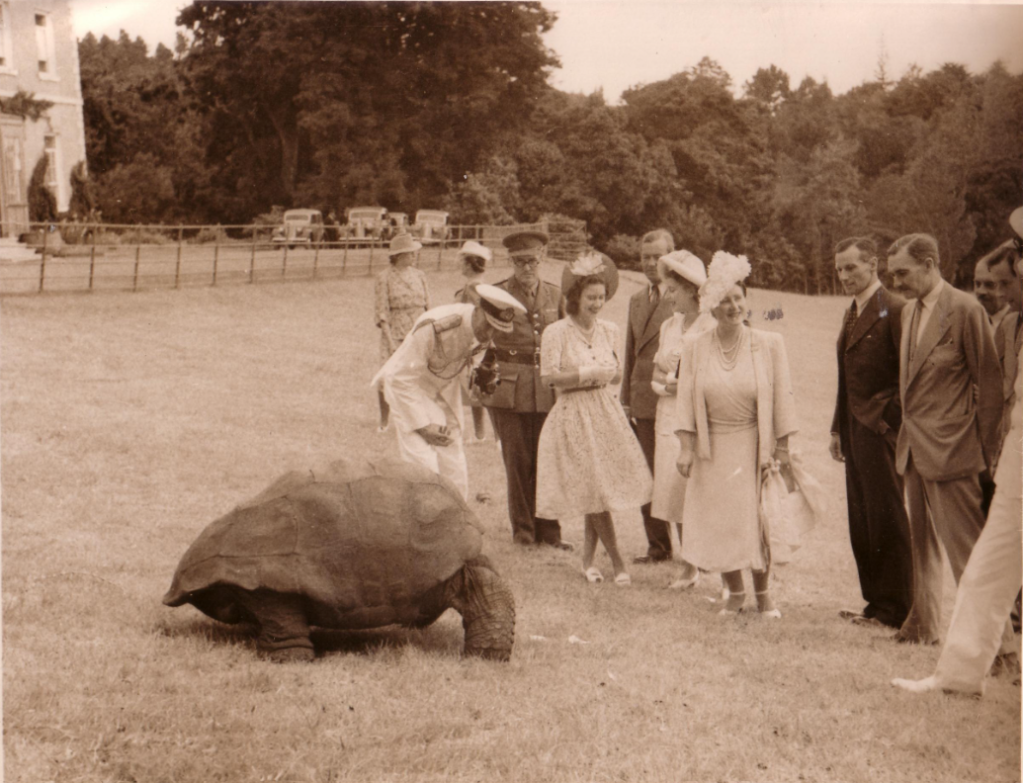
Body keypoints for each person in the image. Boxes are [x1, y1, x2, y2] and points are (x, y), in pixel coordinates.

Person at [892, 219, 1023, 696]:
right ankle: (922, 624)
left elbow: (990, 385)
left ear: (929, 266)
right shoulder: (908, 312)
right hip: (914, 450)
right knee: (922, 549)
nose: (896, 283)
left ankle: (1005, 655)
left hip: (954, 454)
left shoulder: (965, 309)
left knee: (974, 559)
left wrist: (986, 450)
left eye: (903, 273)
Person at [675, 251, 798, 617]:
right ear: (711, 307)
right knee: (720, 521)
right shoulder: (695, 346)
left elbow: (783, 399)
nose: (732, 306)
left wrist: (784, 447)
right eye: (724, 300)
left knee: (758, 520)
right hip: (714, 448)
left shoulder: (769, 342)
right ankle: (735, 592)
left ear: (746, 301)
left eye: (738, 298)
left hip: (754, 443)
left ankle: (764, 596)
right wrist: (685, 447)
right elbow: (684, 400)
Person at [536, 252, 652, 585]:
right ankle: (618, 564)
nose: (597, 304)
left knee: (597, 489)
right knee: (595, 488)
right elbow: (548, 378)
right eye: (591, 297)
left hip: (605, 412)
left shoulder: (610, 330)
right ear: (575, 297)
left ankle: (587, 562)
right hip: (573, 413)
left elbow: (615, 376)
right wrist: (589, 372)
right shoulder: (556, 332)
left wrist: (605, 374)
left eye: (601, 297)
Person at [370, 284, 526, 500]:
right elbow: (400, 378)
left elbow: (468, 373)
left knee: (453, 456)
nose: (490, 333)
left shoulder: (484, 335)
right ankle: (423, 524)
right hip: (408, 389)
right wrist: (424, 427)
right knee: (423, 463)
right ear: (478, 309)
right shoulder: (437, 325)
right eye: (488, 325)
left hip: (442, 390)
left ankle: (457, 519)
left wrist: (483, 384)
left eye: (497, 329)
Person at [829, 237, 913, 629]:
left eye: (851, 268)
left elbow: (908, 375)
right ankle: (876, 604)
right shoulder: (853, 310)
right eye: (839, 269)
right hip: (852, 429)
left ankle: (897, 608)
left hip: (879, 431)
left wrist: (885, 420)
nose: (844, 275)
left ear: (873, 264)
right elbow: (847, 377)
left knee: (887, 517)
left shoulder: (894, 308)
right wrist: (836, 428)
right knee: (861, 519)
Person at [480, 230, 571, 550]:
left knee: (547, 460)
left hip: (546, 387)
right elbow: (480, 335)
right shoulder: (495, 294)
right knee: (517, 461)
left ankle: (550, 531)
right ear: (510, 262)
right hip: (509, 388)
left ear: (542, 257)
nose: (526, 267)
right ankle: (523, 532)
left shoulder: (556, 294)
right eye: (519, 262)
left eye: (532, 260)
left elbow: (566, 339)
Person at [649, 250, 716, 590]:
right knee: (673, 489)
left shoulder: (711, 324)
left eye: (674, 289)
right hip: (668, 413)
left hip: (698, 415)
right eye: (667, 289)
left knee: (696, 489)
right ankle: (688, 563)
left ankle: (696, 562)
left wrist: (685, 383)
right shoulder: (668, 325)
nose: (669, 296)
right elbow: (659, 368)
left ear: (692, 290)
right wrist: (662, 384)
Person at [622, 229, 677, 564]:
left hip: (672, 398)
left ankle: (693, 549)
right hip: (642, 400)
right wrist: (624, 399)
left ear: (672, 256)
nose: (651, 263)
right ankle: (657, 546)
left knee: (675, 475)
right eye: (646, 257)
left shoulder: (685, 297)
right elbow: (630, 352)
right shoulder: (636, 300)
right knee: (645, 475)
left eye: (658, 256)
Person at [374, 233, 431, 432]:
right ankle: (384, 421)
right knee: (387, 377)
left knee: (418, 377)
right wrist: (390, 340)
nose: (414, 256)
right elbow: (382, 311)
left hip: (418, 331)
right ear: (398, 255)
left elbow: (428, 306)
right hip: (395, 332)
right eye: (410, 252)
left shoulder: (419, 275)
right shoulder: (384, 277)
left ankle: (418, 419)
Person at [454, 240, 495, 443]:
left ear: (470, 264)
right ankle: (480, 435)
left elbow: (480, 323)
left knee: (481, 390)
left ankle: (493, 437)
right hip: (471, 346)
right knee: (476, 392)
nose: (459, 265)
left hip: (476, 347)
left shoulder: (477, 290)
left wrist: (474, 348)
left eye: (462, 261)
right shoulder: (472, 288)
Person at [973, 254, 1010, 332]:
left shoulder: (1017, 325)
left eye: (990, 285)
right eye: (977, 284)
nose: (981, 291)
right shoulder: (971, 321)